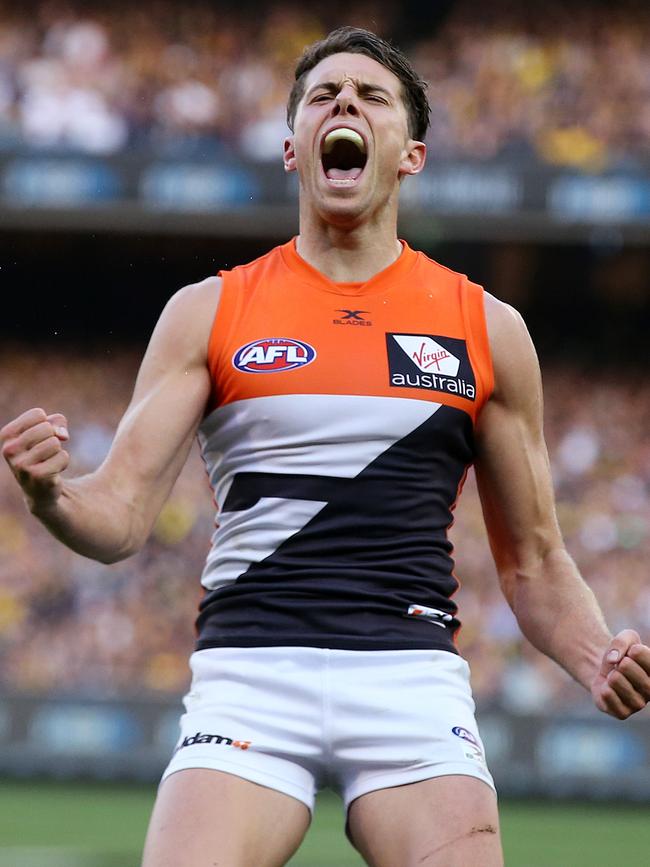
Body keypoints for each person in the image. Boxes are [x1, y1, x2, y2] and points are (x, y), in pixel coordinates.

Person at [2, 26, 650, 867]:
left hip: (408, 679)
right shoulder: (209, 311)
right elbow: (119, 517)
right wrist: (51, 494)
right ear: (291, 149)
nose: (344, 102)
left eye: (372, 96)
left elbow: (533, 563)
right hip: (250, 673)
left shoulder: (486, 327)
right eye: (322, 96)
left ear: (410, 155)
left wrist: (595, 653)